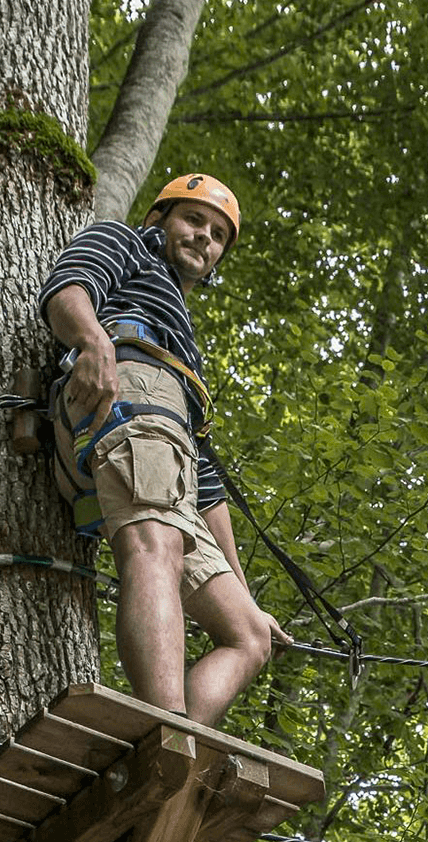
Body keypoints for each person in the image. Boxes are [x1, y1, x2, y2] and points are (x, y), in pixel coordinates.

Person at [39, 172, 290, 726]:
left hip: (168, 431)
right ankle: (168, 731)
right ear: (159, 220)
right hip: (128, 393)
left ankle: (171, 746)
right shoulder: (126, 242)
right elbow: (69, 288)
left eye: (219, 234)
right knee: (155, 545)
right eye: (194, 219)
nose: (205, 237)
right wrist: (94, 341)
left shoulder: (183, 333)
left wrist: (248, 597)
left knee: (248, 637)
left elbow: (204, 484)